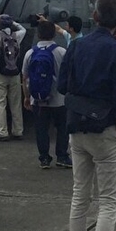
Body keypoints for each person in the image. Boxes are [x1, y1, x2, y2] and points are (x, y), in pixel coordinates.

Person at [58, 0, 116, 231]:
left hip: (77, 127)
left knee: (80, 195)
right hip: (106, 129)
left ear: (95, 15)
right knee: (109, 200)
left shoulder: (77, 46)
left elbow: (62, 85)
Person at [22, 17, 71, 170]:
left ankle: (44, 158)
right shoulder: (62, 52)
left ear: (38, 34)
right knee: (62, 128)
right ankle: (62, 156)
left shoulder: (30, 53)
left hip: (38, 99)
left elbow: (25, 77)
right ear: (53, 35)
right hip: (59, 99)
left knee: (41, 129)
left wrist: (27, 96)